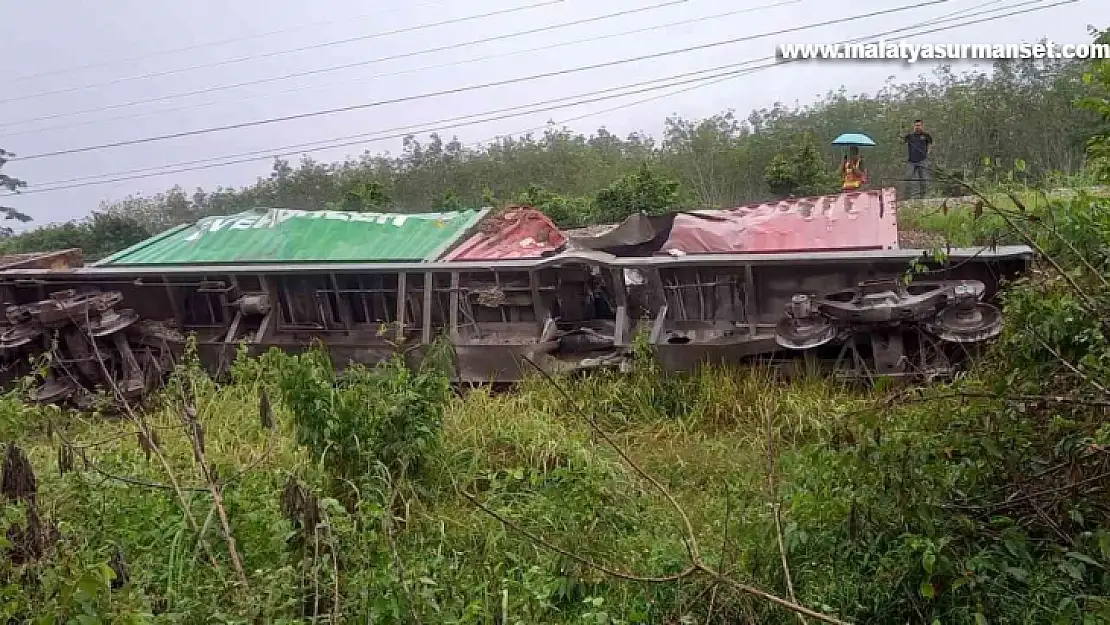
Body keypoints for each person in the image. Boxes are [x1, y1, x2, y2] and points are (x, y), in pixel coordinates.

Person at [902, 119, 933, 199]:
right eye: (916, 125)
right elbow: (902, 141)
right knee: (908, 178)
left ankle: (923, 197)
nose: (917, 127)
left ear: (922, 126)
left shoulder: (926, 136)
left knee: (923, 179)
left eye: (919, 125)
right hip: (911, 161)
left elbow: (931, 144)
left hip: (922, 161)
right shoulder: (910, 136)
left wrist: (927, 154)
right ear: (914, 126)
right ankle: (907, 197)